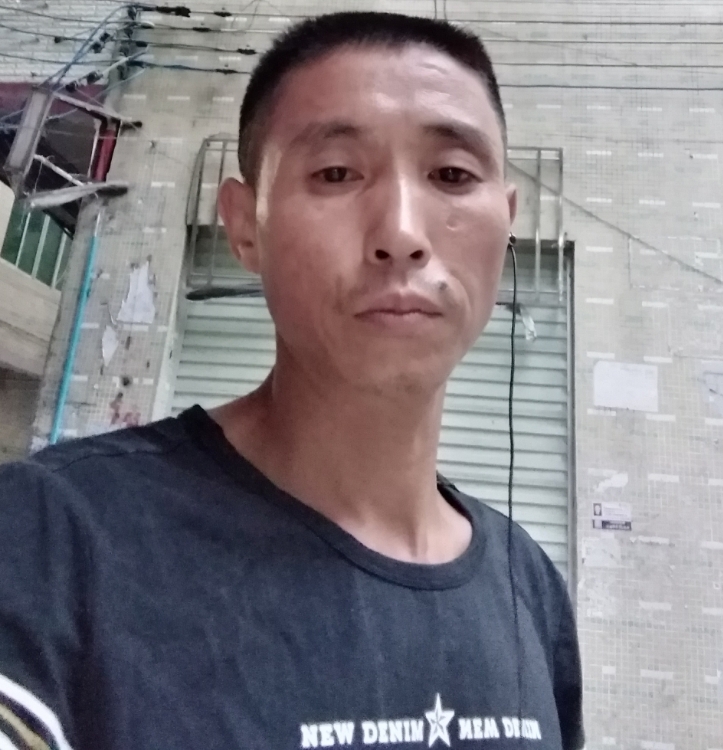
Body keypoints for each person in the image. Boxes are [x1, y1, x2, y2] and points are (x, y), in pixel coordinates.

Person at [0, 11, 584, 750]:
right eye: (336, 173)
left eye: (452, 175)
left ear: (507, 223)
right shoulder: (55, 542)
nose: (402, 233)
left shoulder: (529, 587)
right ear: (246, 226)